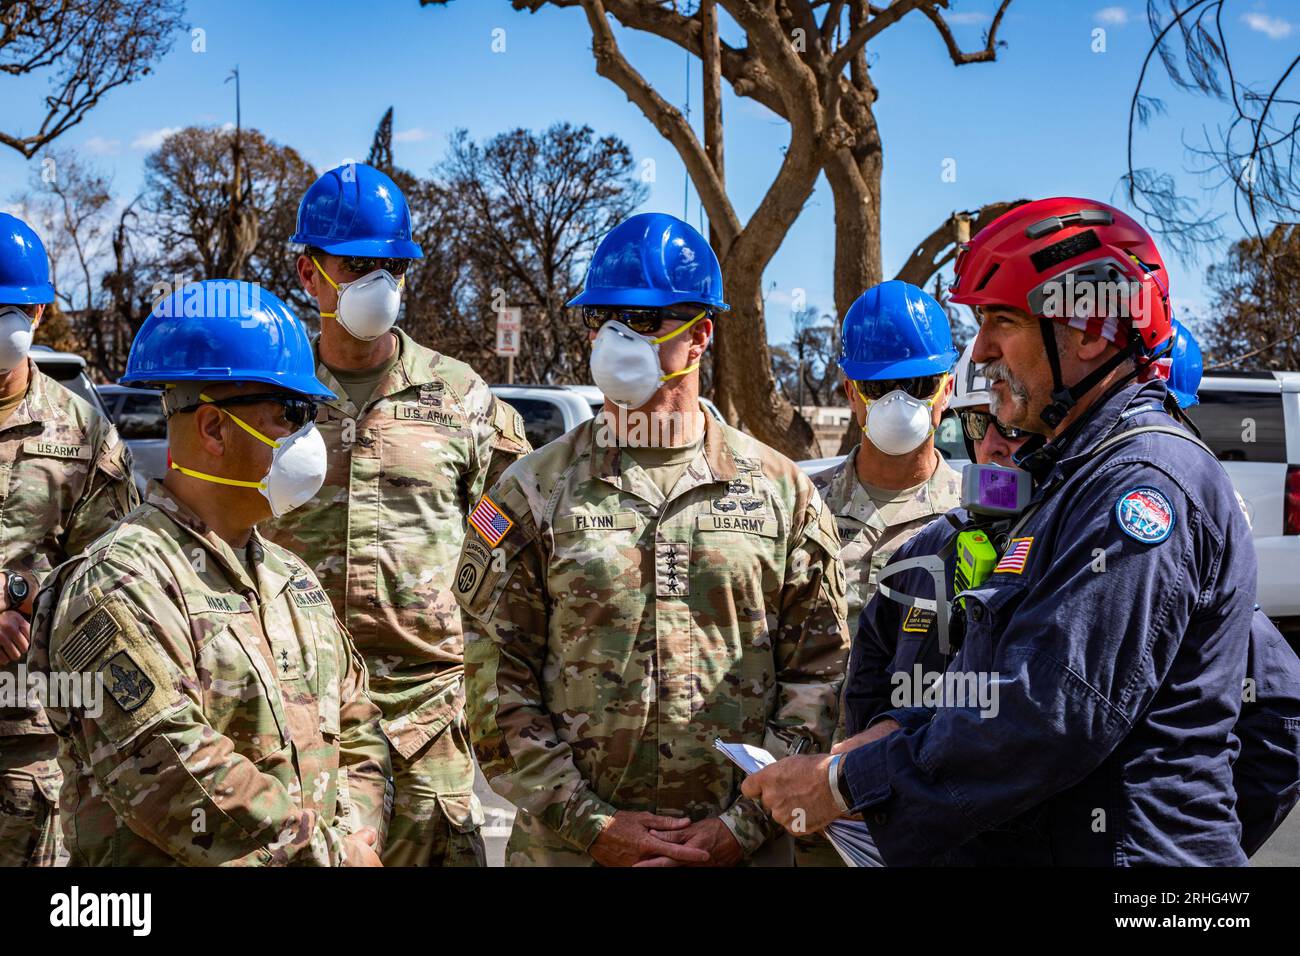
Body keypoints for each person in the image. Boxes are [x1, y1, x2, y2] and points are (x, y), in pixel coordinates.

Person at [744, 197, 1262, 865]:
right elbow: (992, 682)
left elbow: (1050, 710)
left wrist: (847, 783)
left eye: (1004, 321)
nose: (982, 349)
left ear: (1092, 330)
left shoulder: (1142, 484)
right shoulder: (1071, 478)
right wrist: (886, 738)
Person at [454, 212, 849, 866]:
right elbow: (493, 682)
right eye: (603, 317)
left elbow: (820, 673)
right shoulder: (530, 493)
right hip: (571, 852)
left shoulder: (784, 495)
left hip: (743, 853)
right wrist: (589, 823)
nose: (615, 336)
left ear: (700, 337)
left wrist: (743, 825)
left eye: (643, 319)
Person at [28, 281, 391, 866]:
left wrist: (359, 834)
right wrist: (328, 855)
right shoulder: (119, 582)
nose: (309, 437)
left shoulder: (289, 575)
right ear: (215, 429)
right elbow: (171, 771)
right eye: (290, 415)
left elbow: (359, 723)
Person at [263, 163, 531, 867]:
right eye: (356, 265)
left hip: (427, 718)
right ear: (309, 272)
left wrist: (460, 609)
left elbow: (507, 532)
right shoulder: (265, 396)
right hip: (296, 714)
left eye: (392, 266)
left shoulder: (462, 398)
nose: (377, 284)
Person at [798, 280, 959, 866]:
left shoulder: (987, 519)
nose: (896, 401)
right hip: (809, 817)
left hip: (931, 813)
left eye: (915, 385)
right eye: (877, 385)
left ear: (947, 388)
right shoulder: (797, 507)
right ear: (850, 392)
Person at [0, 213, 138, 867]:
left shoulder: (81, 433)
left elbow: (115, 577)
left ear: (42, 309)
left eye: (16, 306)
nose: (5, 321)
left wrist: (20, 591)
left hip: (28, 736)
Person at [841, 340, 1029, 736]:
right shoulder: (932, 544)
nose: (993, 446)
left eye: (1012, 428)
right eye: (979, 425)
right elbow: (868, 679)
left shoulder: (1075, 539)